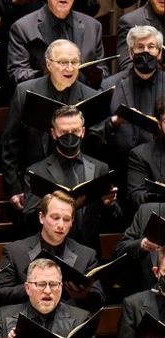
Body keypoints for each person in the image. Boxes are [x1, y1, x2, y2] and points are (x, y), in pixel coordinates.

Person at [1, 39, 99, 209]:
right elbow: (10, 144)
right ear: (48, 64)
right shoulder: (25, 92)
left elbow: (95, 148)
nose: (69, 68)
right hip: (34, 186)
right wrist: (14, 188)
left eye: (74, 62)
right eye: (62, 62)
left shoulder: (91, 96)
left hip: (76, 184)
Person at [21, 105, 119, 246]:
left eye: (75, 131)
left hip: (89, 248)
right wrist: (68, 206)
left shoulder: (100, 167)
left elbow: (113, 217)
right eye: (64, 132)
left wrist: (109, 204)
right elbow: (29, 218)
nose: (70, 135)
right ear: (53, 133)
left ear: (83, 132)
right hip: (52, 247)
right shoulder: (36, 172)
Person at [0, 192, 104, 310]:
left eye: (66, 219)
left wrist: (82, 296)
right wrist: (36, 286)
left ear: (72, 222)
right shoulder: (15, 251)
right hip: (29, 321)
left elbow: (99, 300)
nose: (61, 225)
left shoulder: (86, 255)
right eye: (55, 218)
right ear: (41, 217)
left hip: (68, 324)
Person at [7, 0, 105, 85]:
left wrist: (94, 75)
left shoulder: (93, 27)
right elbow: (17, 74)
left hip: (81, 99)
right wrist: (49, 74)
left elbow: (103, 71)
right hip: (43, 100)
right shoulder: (23, 28)